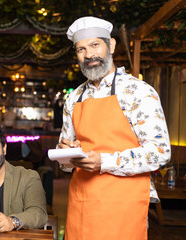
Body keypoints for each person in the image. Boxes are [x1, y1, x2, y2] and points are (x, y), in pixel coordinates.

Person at [58, 16, 171, 240]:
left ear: (110, 45)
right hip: (81, 203)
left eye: (95, 45)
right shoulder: (74, 98)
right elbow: (66, 162)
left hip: (122, 204)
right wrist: (65, 152)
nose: (89, 55)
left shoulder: (138, 92)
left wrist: (104, 162)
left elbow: (160, 152)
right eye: (81, 49)